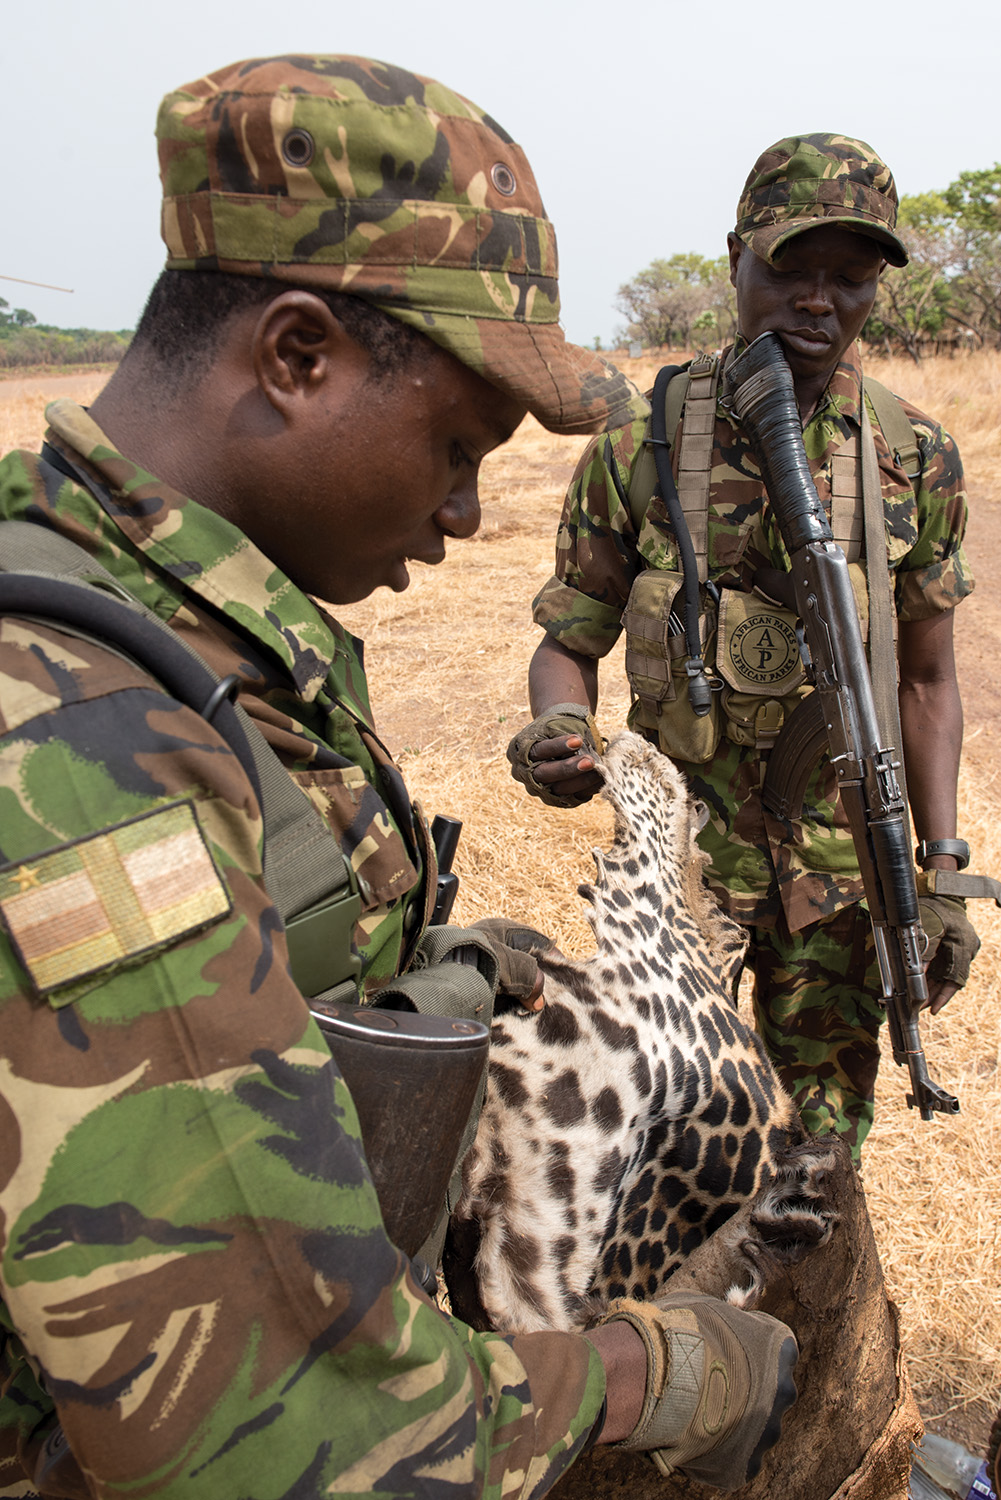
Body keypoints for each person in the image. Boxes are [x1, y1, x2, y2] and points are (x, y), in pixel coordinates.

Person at [0, 56, 798, 1500]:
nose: (463, 511)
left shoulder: (158, 617)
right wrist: (655, 1370)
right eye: (453, 445)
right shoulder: (80, 751)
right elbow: (288, 1441)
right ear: (296, 356)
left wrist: (429, 974)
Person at [509, 133, 979, 1159]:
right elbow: (568, 637)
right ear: (734, 259)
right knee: (665, 1136)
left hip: (840, 872)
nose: (817, 302)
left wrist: (937, 874)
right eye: (788, 271)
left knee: (816, 1155)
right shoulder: (638, 445)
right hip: (678, 871)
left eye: (849, 280)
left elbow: (931, 682)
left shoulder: (913, 458)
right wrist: (557, 725)